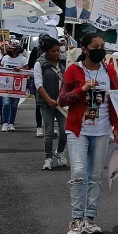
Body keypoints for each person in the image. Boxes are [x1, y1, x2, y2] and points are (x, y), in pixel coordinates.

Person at [57, 32, 118, 234]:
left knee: (95, 176)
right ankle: (76, 220)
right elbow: (63, 100)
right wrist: (82, 89)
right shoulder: (73, 70)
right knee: (79, 173)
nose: (100, 50)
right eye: (95, 46)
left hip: (101, 131)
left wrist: (117, 127)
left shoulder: (109, 71)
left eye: (103, 46)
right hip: (78, 130)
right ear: (84, 49)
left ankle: (90, 218)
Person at [34, 37, 69, 171]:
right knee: (48, 131)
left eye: (58, 50)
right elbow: (38, 84)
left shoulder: (64, 63)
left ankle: (60, 151)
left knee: (64, 130)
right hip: (46, 102)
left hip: (62, 102)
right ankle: (48, 158)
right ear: (47, 52)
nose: (57, 53)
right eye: (53, 51)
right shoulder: (40, 64)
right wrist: (48, 99)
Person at [0, 39, 28, 132]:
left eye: (13, 50)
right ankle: (5, 123)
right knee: (6, 103)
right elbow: (1, 67)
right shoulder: (5, 58)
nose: (11, 51)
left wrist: (20, 68)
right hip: (6, 85)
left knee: (14, 105)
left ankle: (11, 123)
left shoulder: (23, 59)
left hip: (17, 86)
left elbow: (27, 68)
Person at [28, 34, 52, 138]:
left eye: (48, 40)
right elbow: (30, 64)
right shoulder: (35, 51)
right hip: (39, 78)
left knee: (51, 103)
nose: (46, 42)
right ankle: (39, 127)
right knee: (39, 104)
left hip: (51, 79)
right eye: (45, 40)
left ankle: (49, 126)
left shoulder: (52, 50)